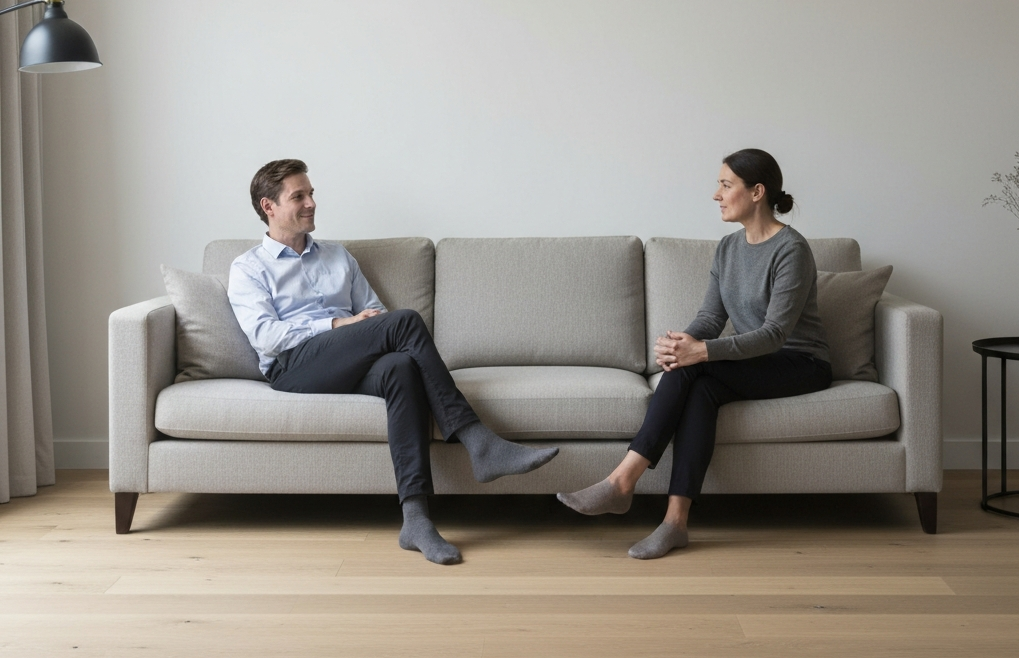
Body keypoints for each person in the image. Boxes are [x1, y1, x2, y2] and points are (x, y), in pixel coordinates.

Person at [228, 158, 558, 565]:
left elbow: (373, 312)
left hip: (343, 359)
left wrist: (361, 326)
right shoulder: (248, 268)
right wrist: (340, 324)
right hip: (292, 366)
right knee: (405, 322)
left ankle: (416, 519)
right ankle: (478, 440)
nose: (312, 202)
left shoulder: (336, 256)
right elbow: (266, 336)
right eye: (299, 196)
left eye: (312, 193)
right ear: (269, 207)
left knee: (401, 367)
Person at [557, 149, 832, 558]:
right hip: (756, 358)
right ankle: (674, 523)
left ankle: (621, 483)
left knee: (694, 369)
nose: (715, 195)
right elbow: (710, 317)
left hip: (801, 362)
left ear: (757, 192)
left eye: (725, 185)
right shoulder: (727, 248)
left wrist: (701, 352)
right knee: (697, 383)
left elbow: (774, 334)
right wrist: (682, 343)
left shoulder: (791, 249)